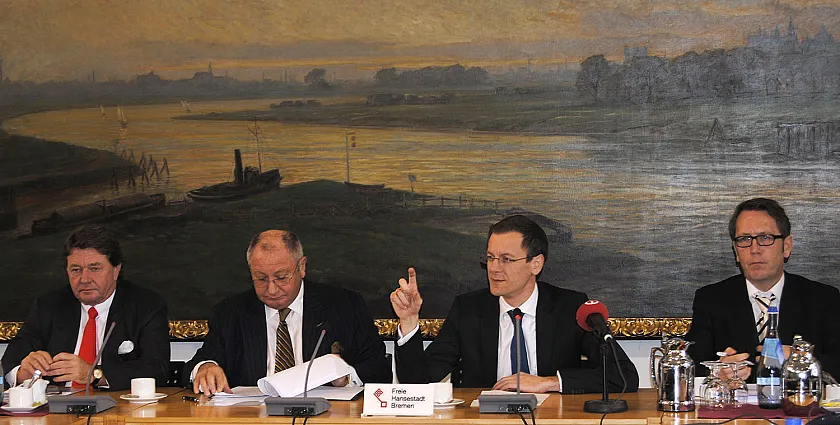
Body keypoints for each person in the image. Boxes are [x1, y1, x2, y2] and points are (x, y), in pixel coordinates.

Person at [391, 215, 639, 393]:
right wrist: (409, 321)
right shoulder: (468, 310)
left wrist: (548, 382)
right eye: (490, 258)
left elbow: (624, 375)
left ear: (536, 264)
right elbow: (416, 384)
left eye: (507, 259)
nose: (494, 268)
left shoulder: (569, 307)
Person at [186, 229, 392, 395]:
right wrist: (205, 367)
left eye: (281, 277)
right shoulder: (231, 312)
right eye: (261, 278)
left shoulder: (344, 306)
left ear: (301, 267)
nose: (272, 289)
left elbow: (379, 369)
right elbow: (197, 363)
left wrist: (346, 377)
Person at [1, 225, 170, 390]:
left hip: (118, 410)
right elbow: (10, 362)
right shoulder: (49, 306)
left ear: (116, 270)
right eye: (76, 270)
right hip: (55, 411)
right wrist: (23, 373)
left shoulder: (146, 305)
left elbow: (157, 369)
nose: (84, 279)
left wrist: (94, 374)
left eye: (94, 268)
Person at [687, 198, 840, 380]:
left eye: (765, 238)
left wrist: (801, 359)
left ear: (787, 246)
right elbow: (692, 365)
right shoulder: (712, 300)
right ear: (736, 250)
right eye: (744, 239)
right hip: (739, 407)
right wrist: (718, 372)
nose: (754, 249)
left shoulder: (823, 299)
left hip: (799, 405)